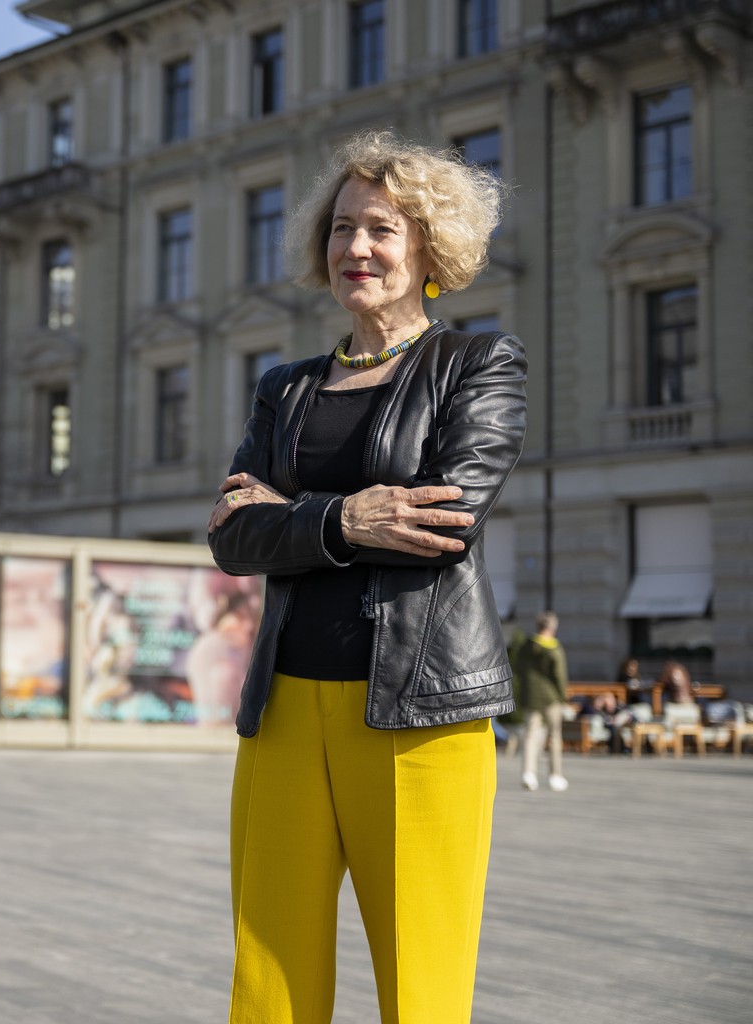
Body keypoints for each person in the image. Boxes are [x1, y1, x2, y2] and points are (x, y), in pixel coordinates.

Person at [208, 130, 522, 1024]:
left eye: (382, 228)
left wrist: (293, 516)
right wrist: (348, 519)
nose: (357, 249)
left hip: (421, 719)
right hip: (283, 711)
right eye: (342, 228)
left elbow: (443, 520)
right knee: (269, 976)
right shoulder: (285, 388)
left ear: (429, 247)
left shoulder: (478, 366)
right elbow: (233, 539)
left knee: (421, 977)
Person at [513, 611, 571, 790]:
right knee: (554, 736)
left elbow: (517, 667)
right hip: (551, 697)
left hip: (531, 695)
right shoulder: (555, 648)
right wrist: (563, 697)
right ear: (552, 628)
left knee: (530, 734)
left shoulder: (525, 647)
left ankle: (529, 773)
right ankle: (555, 775)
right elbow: (560, 675)